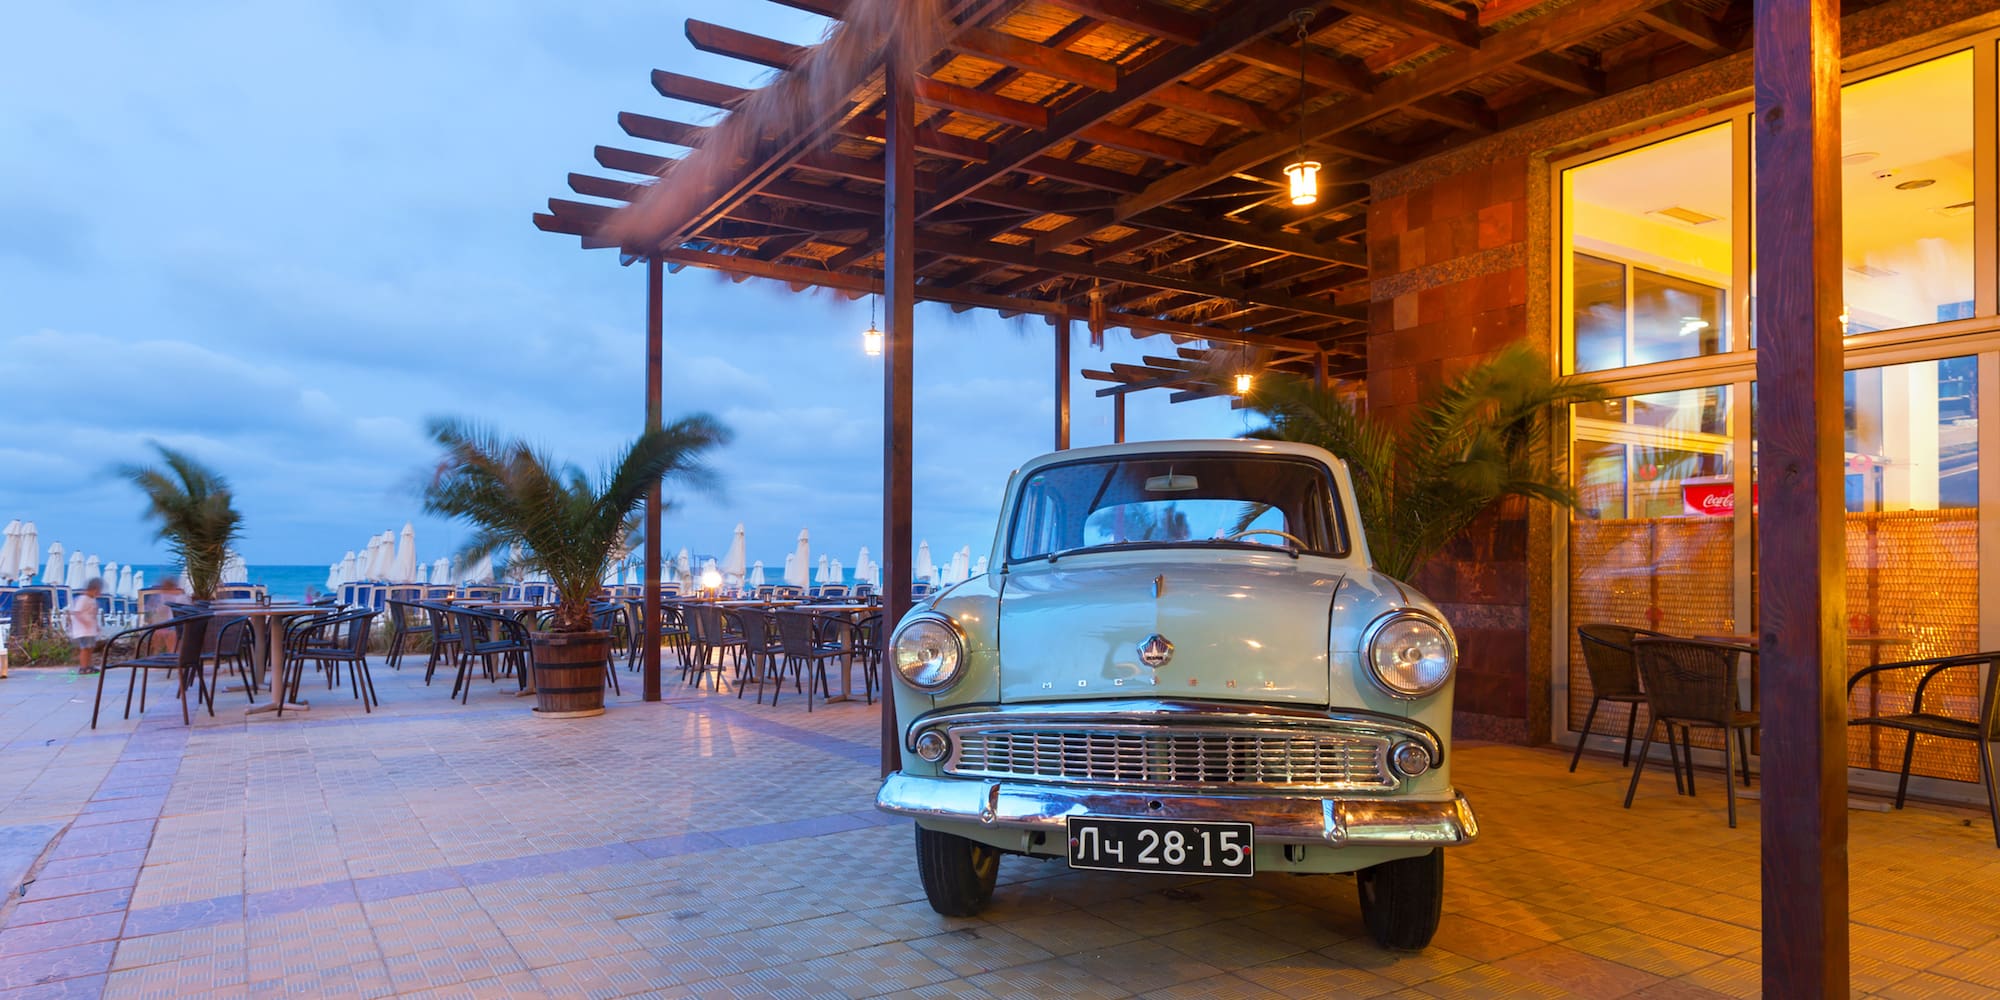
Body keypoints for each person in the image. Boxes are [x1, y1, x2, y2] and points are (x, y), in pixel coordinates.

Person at [69, 577, 104, 674]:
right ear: (94, 589)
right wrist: (85, 622)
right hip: (83, 630)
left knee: (90, 648)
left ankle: (89, 665)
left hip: (90, 629)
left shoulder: (91, 600)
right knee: (85, 648)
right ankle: (83, 667)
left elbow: (93, 614)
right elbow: (77, 612)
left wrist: (96, 625)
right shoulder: (83, 599)